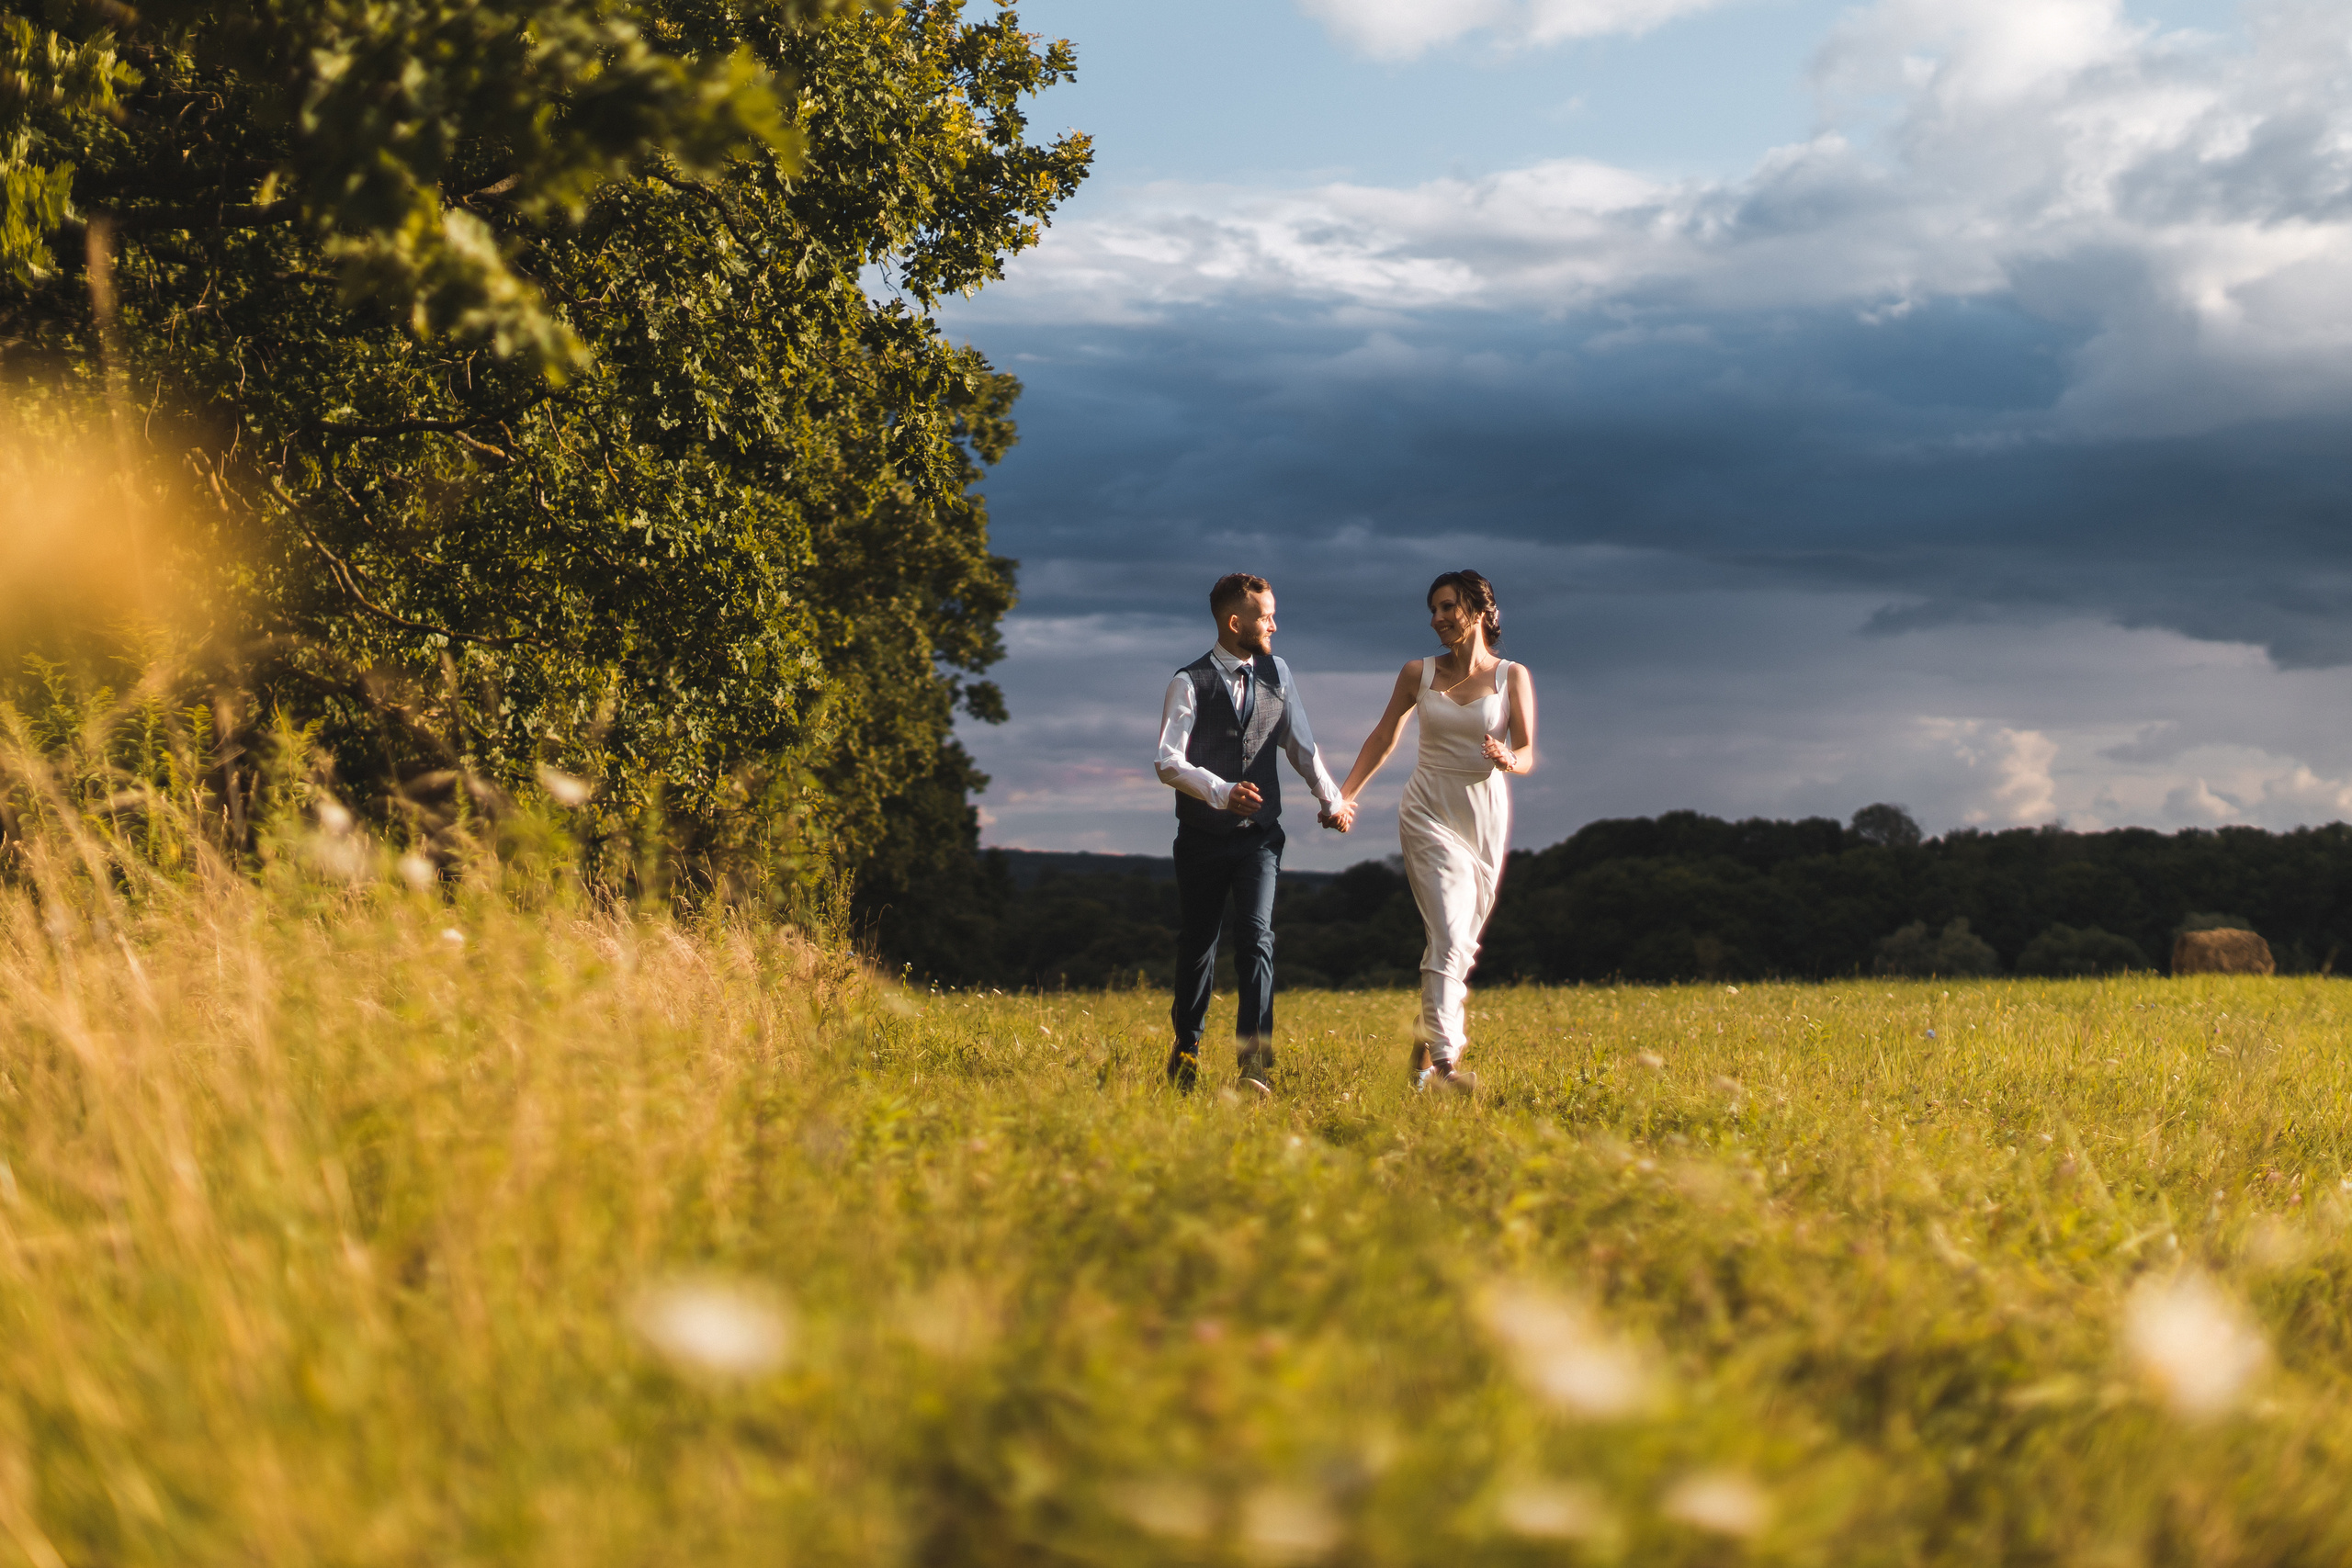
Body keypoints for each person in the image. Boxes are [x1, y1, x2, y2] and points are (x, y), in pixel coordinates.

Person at [1334, 570, 1536, 1093]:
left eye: (1447, 607)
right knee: (1448, 932)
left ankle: (1418, 1066)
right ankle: (1447, 1069)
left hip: (1485, 815)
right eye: (1434, 610)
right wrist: (1345, 794)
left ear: (1477, 609)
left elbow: (1528, 751)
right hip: (1428, 811)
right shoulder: (1417, 673)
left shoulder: (1512, 676)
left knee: (1459, 944)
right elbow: (1384, 736)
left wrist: (1508, 757)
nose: (1437, 619)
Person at [1156, 572, 1352, 1095]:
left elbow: (1300, 744)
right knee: (1198, 943)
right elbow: (1167, 762)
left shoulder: (1278, 672)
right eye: (1266, 616)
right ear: (1234, 622)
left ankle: (1254, 1067)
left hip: (1259, 838)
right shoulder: (1188, 681)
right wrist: (1221, 791)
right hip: (1200, 838)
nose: (1274, 624)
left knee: (1257, 940)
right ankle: (1188, 1050)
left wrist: (1331, 800)